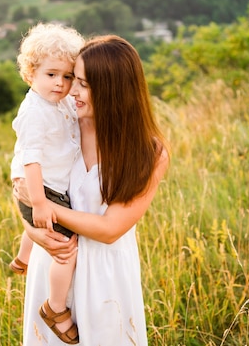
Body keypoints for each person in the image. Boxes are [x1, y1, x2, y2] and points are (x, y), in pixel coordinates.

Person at [16, 34, 170, 345]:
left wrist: (49, 210)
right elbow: (23, 182)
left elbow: (111, 229)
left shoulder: (149, 153)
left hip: (106, 272)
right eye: (75, 79)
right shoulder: (64, 120)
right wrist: (31, 229)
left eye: (83, 83)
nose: (71, 90)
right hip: (57, 258)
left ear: (113, 90)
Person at [9, 23, 85, 344]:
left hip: (49, 183)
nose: (60, 83)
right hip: (42, 187)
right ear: (31, 73)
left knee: (41, 229)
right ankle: (56, 308)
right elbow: (31, 160)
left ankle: (24, 257)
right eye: (51, 74)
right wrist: (40, 202)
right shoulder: (35, 111)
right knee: (65, 250)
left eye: (67, 76)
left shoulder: (63, 101)